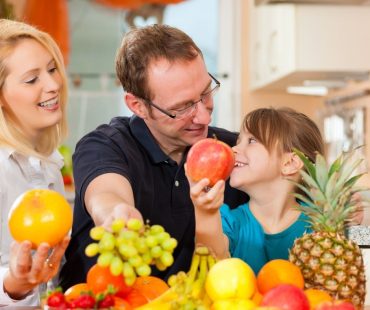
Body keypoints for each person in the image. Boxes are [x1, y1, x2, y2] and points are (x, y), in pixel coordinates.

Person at [59, 24, 248, 290]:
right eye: (181, 107)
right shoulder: (105, 145)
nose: (204, 117)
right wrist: (116, 213)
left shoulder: (235, 151)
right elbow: (105, 193)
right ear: (137, 106)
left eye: (206, 93)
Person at [186, 107, 325, 275]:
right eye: (238, 141)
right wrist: (205, 211)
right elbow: (212, 267)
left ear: (289, 164)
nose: (234, 149)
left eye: (251, 141)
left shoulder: (321, 222)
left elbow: (358, 254)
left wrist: (359, 223)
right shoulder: (229, 222)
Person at [0, 19, 70, 305]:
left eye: (52, 69)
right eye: (32, 79)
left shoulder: (48, 165)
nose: (53, 84)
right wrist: (11, 284)